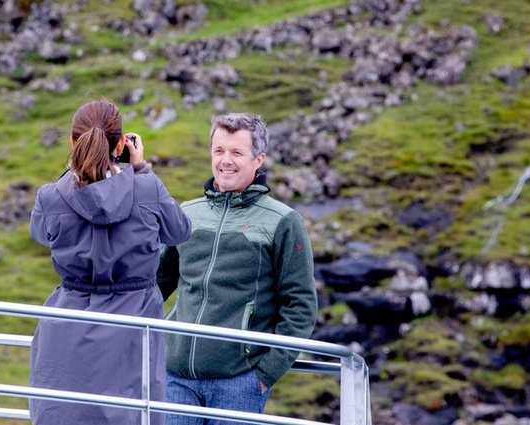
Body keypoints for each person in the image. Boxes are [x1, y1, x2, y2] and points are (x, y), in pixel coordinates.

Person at [28, 99, 191, 425]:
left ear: (73, 143)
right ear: (121, 144)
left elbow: (39, 234)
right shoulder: (147, 189)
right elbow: (180, 231)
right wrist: (142, 169)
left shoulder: (51, 196)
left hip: (67, 328)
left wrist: (73, 173)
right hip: (133, 325)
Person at [157, 112, 318, 424]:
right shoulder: (187, 214)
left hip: (239, 384)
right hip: (174, 380)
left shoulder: (283, 222)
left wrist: (264, 374)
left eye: (236, 152)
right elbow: (154, 287)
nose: (225, 161)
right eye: (219, 151)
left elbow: (300, 306)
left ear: (258, 159)